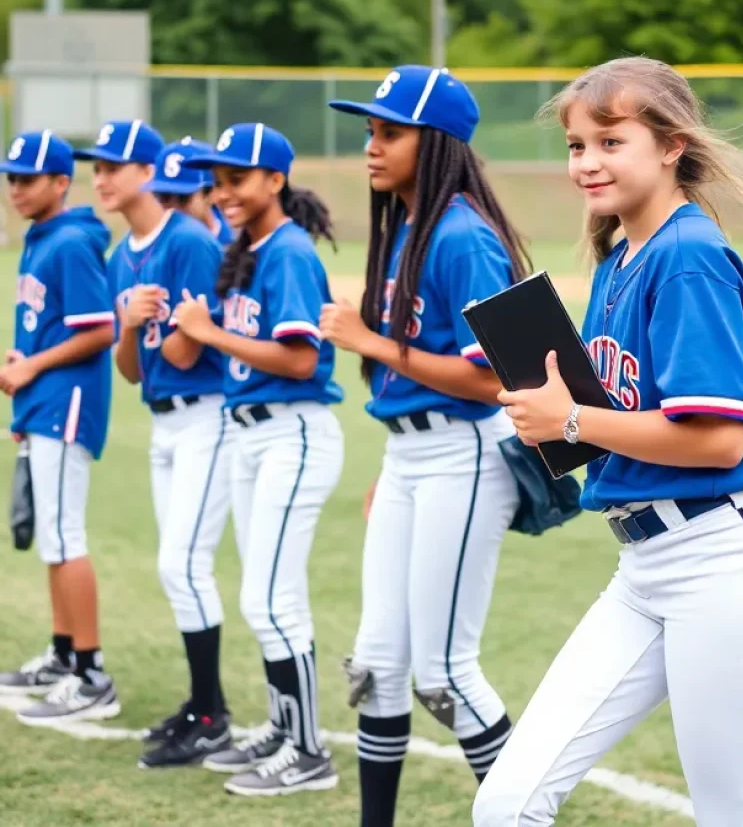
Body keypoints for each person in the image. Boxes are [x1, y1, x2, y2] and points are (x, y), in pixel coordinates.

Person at [473, 56, 743, 827]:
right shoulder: (625, 253)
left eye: (609, 141)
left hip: (723, 560)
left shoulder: (688, 255)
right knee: (509, 801)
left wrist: (572, 422)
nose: (586, 161)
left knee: (737, 816)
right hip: (644, 566)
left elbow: (723, 440)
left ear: (670, 146)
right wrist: (576, 425)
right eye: (575, 146)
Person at [322, 66, 532, 827]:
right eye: (371, 131)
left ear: (435, 143)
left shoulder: (464, 236)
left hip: (464, 456)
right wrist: (392, 466)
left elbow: (495, 381)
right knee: (378, 664)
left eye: (390, 131)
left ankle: (522, 815)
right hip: (412, 457)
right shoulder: (411, 226)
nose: (371, 147)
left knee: (444, 671)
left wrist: (370, 342)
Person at [173, 122, 344, 798]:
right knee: (272, 597)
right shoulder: (245, 250)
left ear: (276, 180)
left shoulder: (290, 252)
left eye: (237, 179)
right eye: (217, 183)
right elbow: (202, 347)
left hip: (291, 434)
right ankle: (283, 729)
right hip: (251, 434)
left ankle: (307, 752)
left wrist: (209, 332)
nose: (224, 193)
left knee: (269, 599)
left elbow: (302, 359)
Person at [78, 127, 235, 768]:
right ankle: (203, 707)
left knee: (183, 565)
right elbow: (132, 368)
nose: (103, 179)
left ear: (148, 171)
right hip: (163, 422)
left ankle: (211, 714)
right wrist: (132, 325)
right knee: (178, 569)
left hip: (208, 417)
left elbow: (191, 347)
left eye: (115, 166)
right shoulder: (123, 256)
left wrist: (154, 325)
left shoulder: (190, 243)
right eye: (98, 168)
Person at [0, 130, 119, 725]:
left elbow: (101, 330)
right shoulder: (41, 238)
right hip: (42, 403)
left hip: (65, 403)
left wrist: (33, 369)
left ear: (59, 183)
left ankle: (92, 673)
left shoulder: (71, 240)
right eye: (11, 178)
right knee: (52, 535)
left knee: (65, 535)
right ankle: (64, 651)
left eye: (28, 178)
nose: (16, 188)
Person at [149, 135, 234, 245]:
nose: (173, 210)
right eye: (164, 197)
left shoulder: (236, 248)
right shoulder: (148, 247)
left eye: (183, 198)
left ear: (211, 194)